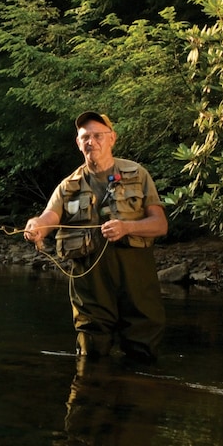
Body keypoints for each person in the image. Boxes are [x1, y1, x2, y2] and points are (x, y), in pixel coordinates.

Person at [24, 112, 168, 360]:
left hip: (135, 281)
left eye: (98, 136)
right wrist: (36, 226)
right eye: (85, 137)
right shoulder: (68, 186)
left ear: (112, 138)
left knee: (142, 350)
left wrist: (127, 228)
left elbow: (160, 225)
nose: (92, 142)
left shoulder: (138, 174)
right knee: (91, 352)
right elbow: (49, 217)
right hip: (90, 287)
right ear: (78, 143)